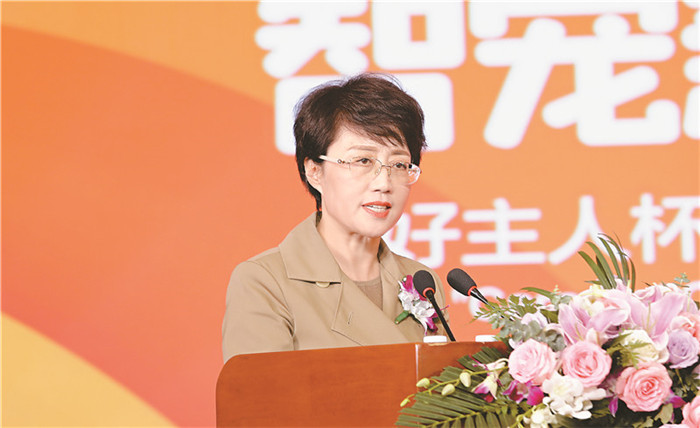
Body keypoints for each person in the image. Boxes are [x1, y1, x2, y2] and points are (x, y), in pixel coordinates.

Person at [222, 73, 448, 362]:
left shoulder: (422, 282)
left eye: (399, 164)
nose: (383, 182)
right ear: (315, 171)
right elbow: (261, 391)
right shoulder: (265, 281)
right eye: (363, 160)